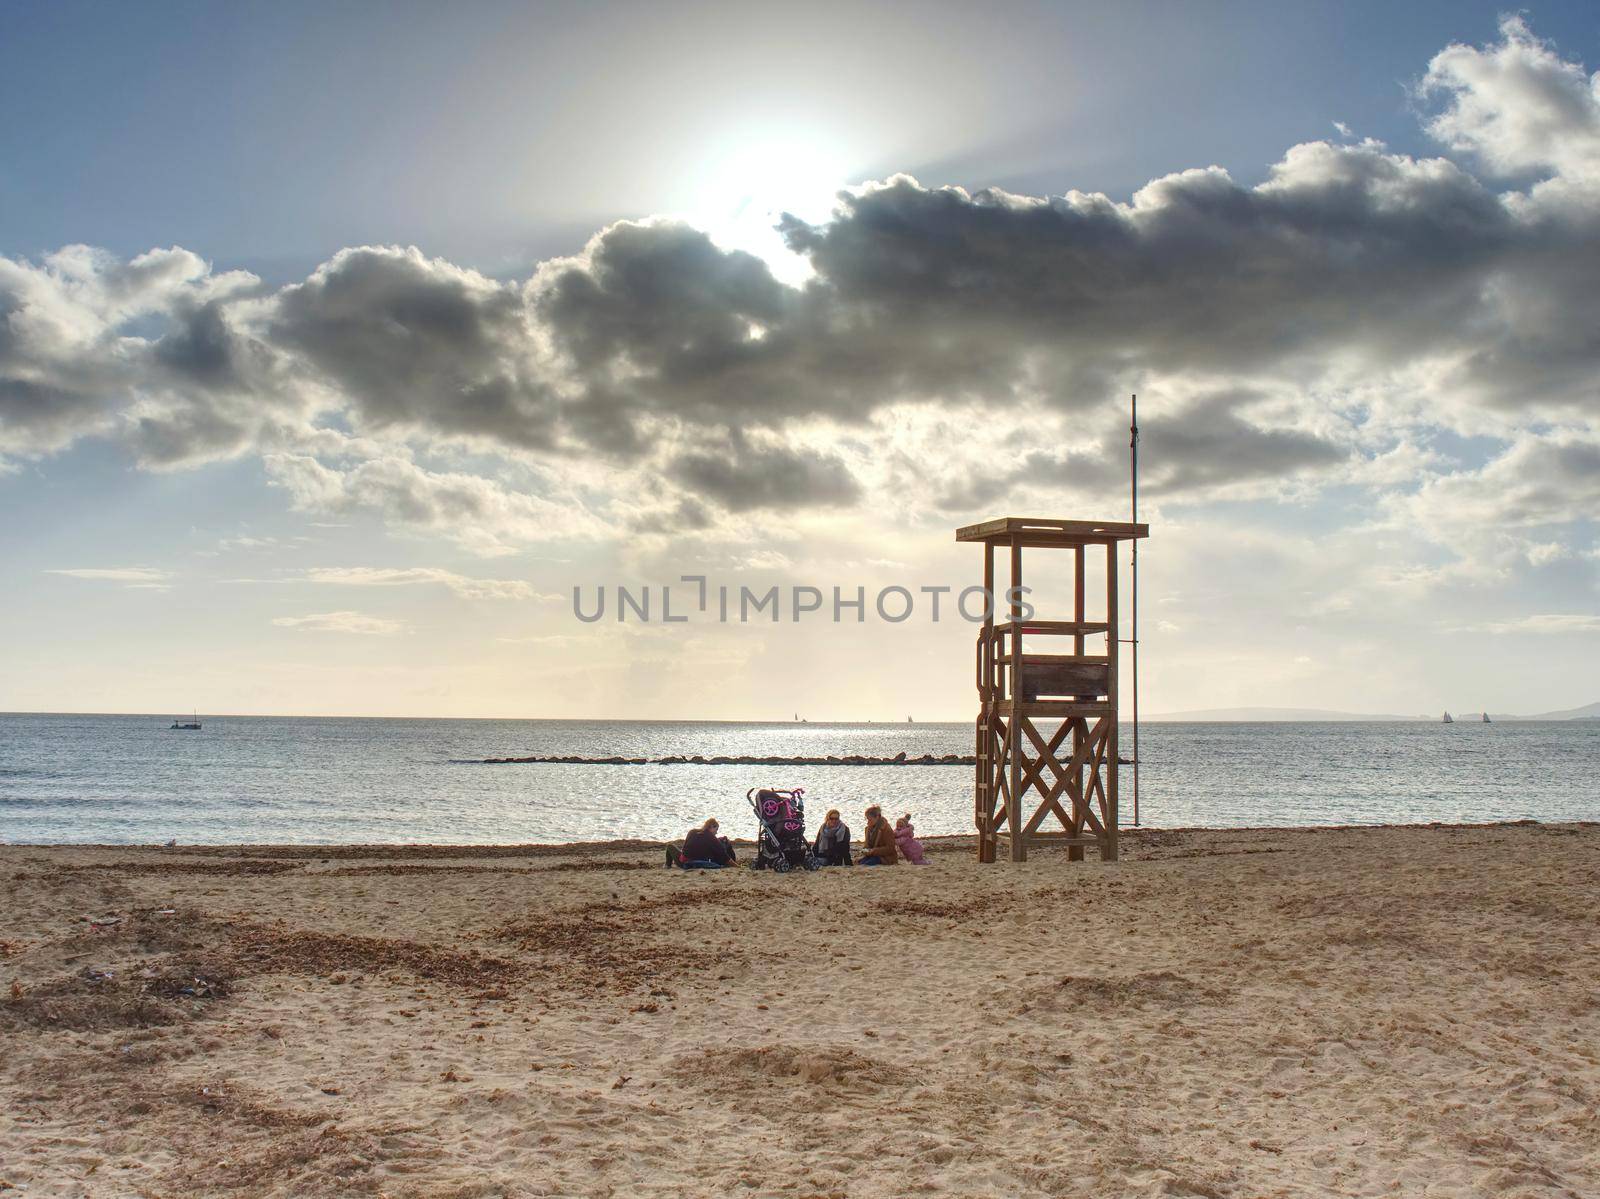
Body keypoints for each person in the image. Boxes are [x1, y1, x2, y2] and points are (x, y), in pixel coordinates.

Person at [668, 818, 736, 869]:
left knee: (670, 846)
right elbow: (725, 857)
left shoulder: (692, 832)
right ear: (711, 826)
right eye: (716, 829)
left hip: (683, 862)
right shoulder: (712, 838)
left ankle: (667, 865)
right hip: (695, 863)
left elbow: (684, 849)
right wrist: (737, 866)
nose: (716, 833)